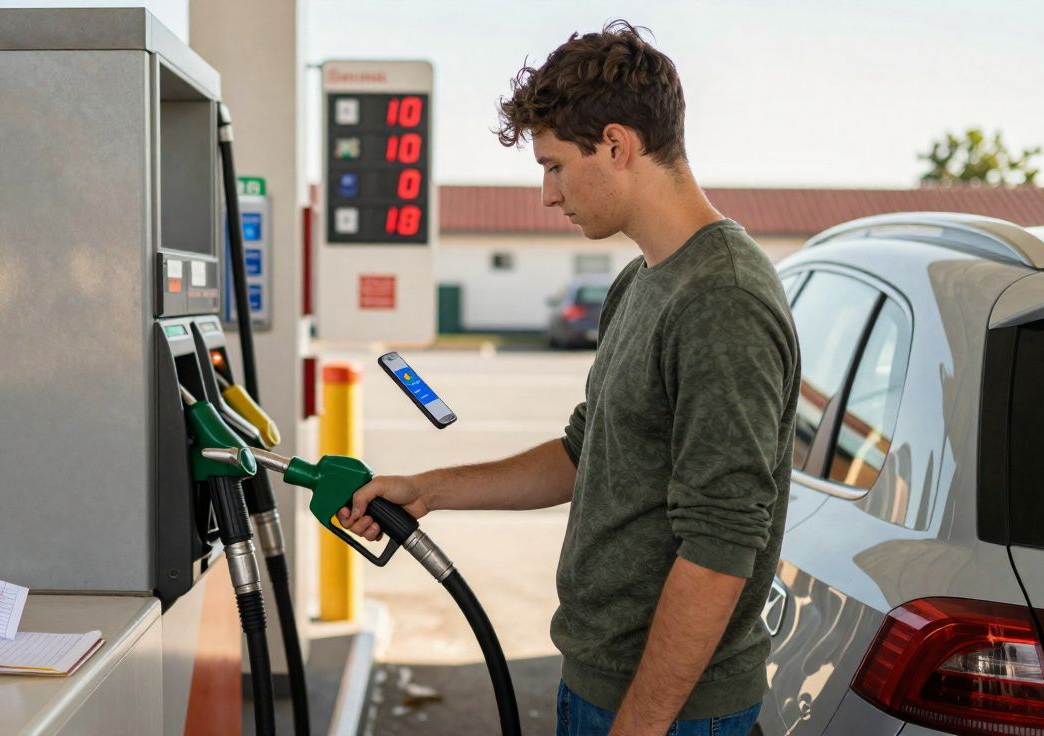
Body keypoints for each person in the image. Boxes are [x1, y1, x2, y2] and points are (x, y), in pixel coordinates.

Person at [338, 20, 800, 736]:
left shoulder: (722, 300)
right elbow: (584, 456)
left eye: (554, 166)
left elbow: (720, 546)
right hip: (600, 683)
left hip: (666, 713)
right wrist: (426, 490)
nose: (548, 195)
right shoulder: (643, 282)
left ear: (616, 145)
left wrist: (638, 727)